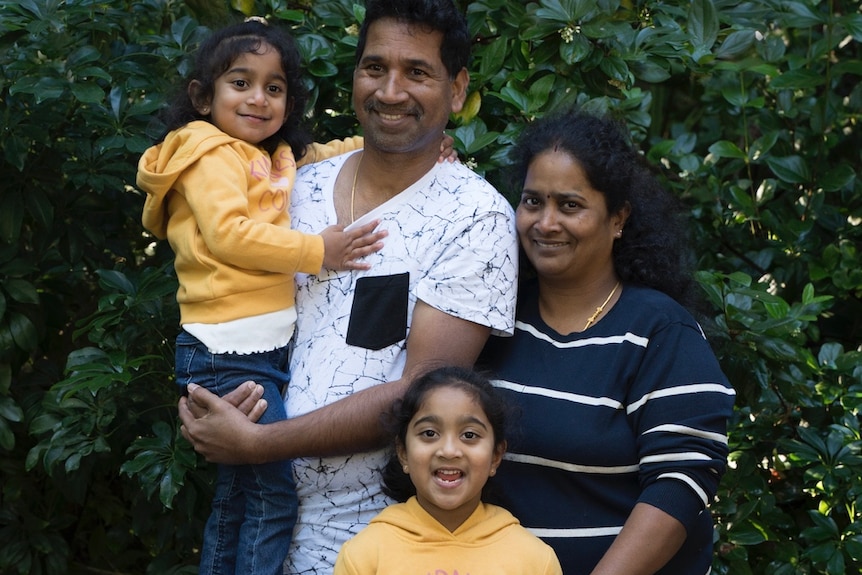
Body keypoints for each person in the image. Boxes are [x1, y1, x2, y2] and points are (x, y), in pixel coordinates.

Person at [177, 1, 519, 573]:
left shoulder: (473, 216)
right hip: (252, 527)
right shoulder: (291, 187)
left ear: (457, 90)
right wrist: (210, 400)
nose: (390, 91)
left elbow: (424, 392)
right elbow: (217, 294)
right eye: (374, 67)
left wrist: (258, 442)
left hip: (379, 545)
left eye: (417, 72)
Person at [477, 110, 736, 575]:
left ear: (617, 219)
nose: (545, 222)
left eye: (570, 205)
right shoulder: (494, 318)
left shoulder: (659, 331)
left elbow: (681, 480)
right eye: (532, 201)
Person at [333, 366, 562, 575]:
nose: (449, 451)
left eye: (469, 435)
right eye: (430, 433)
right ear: (403, 452)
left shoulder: (534, 560)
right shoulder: (365, 555)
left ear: (495, 456)